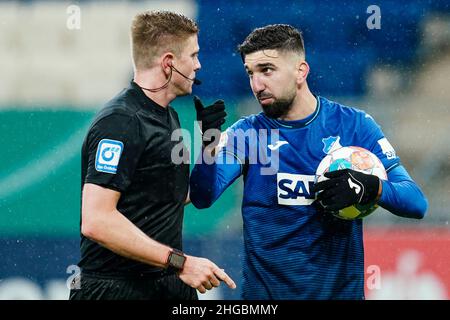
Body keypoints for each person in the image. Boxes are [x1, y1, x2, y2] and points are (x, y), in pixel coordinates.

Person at [189, 24, 428, 299]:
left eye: (267, 70)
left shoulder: (355, 125)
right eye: (250, 73)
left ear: (301, 71)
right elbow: (203, 196)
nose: (257, 84)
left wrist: (371, 187)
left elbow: (417, 203)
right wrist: (208, 146)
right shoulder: (247, 134)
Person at [69, 10, 235, 300]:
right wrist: (181, 262)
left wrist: (210, 148)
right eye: (193, 55)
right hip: (116, 289)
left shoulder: (168, 116)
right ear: (169, 62)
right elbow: (96, 220)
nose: (199, 65)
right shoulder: (122, 121)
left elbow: (174, 195)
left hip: (165, 284)